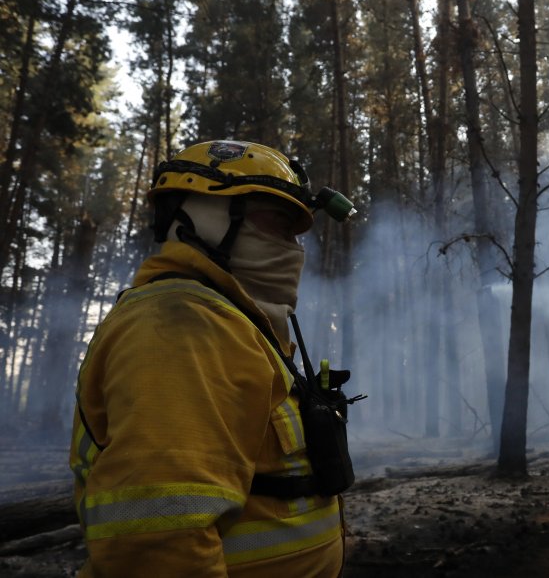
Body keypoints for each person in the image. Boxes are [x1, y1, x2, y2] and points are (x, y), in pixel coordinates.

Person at [69, 140, 356, 577]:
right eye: (275, 222)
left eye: (295, 234)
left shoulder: (231, 321)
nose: (292, 248)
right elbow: (158, 538)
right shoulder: (181, 326)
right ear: (203, 218)